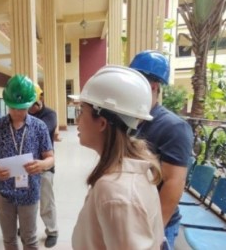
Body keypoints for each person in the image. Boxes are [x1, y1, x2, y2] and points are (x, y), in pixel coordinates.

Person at [72, 65, 164, 249]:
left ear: (102, 122)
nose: (77, 120)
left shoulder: (116, 192)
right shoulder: (128, 170)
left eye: (81, 110)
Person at [130, 50, 193, 249]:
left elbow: (174, 182)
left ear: (153, 87)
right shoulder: (132, 120)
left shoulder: (173, 127)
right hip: (134, 214)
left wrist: (156, 231)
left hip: (157, 221)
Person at [0, 74, 54, 250]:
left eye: (22, 108)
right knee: (8, 239)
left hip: (29, 190)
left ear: (31, 104)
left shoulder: (39, 126)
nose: (17, 112)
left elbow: (51, 158)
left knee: (29, 239)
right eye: (13, 107)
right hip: (3, 191)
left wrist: (41, 165)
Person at [28, 84, 58, 248]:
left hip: (44, 164)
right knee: (25, 200)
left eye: (31, 103)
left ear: (39, 99)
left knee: (46, 201)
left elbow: (43, 130)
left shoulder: (49, 114)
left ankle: (52, 231)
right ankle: (26, 226)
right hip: (25, 165)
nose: (28, 108)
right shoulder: (23, 112)